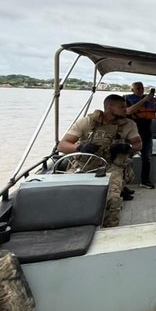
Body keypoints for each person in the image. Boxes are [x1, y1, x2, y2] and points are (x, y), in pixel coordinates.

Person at [58, 94, 142, 227]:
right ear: (110, 107)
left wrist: (127, 148)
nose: (125, 110)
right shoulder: (86, 122)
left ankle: (110, 229)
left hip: (112, 166)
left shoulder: (129, 125)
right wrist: (80, 147)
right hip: (84, 165)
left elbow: (138, 145)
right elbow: (62, 145)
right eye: (121, 107)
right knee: (65, 194)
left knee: (113, 199)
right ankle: (71, 227)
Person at [125, 81, 156, 189]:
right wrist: (144, 99)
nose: (140, 90)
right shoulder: (128, 99)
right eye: (137, 88)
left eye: (142, 88)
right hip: (131, 133)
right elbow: (128, 111)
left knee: (147, 157)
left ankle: (145, 181)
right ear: (132, 90)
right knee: (126, 158)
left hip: (146, 132)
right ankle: (124, 184)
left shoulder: (150, 100)